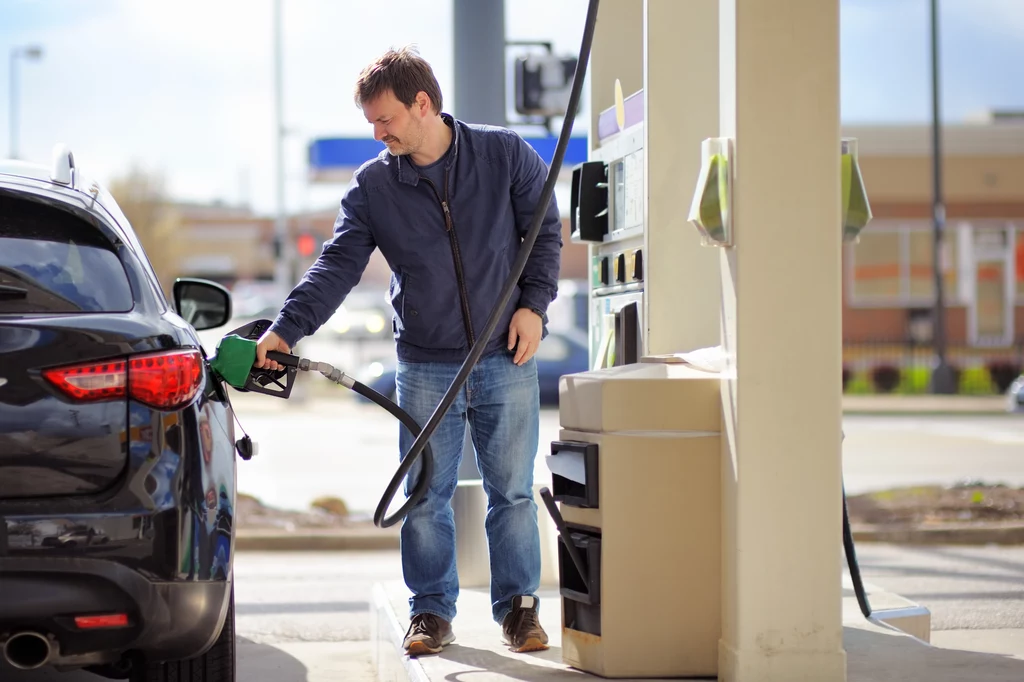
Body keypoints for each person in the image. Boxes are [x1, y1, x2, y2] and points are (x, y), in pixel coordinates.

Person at [254, 45, 561, 657]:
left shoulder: (502, 155)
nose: (378, 132)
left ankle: (520, 610)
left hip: (506, 353)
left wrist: (535, 306)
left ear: (423, 104)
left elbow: (544, 230)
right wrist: (286, 328)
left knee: (514, 493)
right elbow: (337, 265)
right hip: (424, 361)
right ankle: (430, 613)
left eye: (386, 118)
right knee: (426, 496)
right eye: (371, 122)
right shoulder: (374, 186)